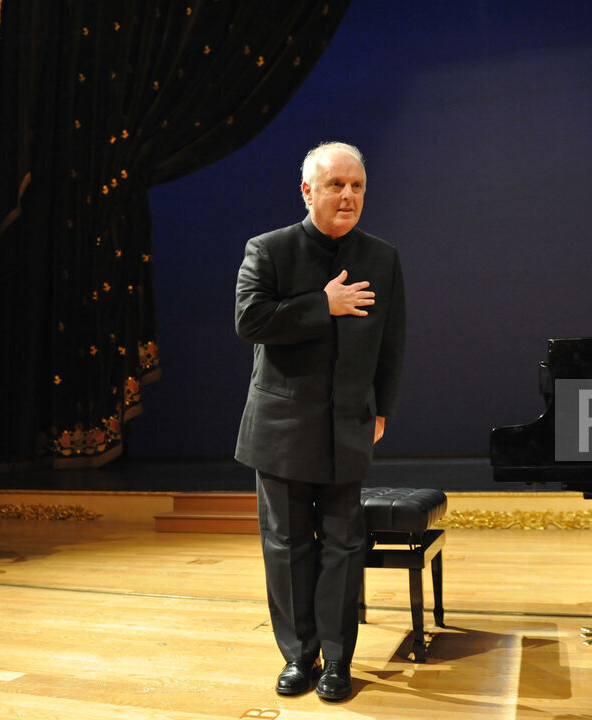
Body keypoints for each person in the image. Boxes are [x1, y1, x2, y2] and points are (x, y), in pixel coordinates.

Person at [234, 141, 406, 702]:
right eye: (336, 185)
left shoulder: (382, 256)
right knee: (286, 546)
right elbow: (250, 319)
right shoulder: (269, 249)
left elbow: (392, 341)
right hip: (281, 427)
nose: (349, 195)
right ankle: (298, 655)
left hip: (347, 424)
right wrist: (321, 304)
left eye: (357, 186)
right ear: (308, 190)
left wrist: (383, 407)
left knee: (342, 544)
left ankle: (337, 660)